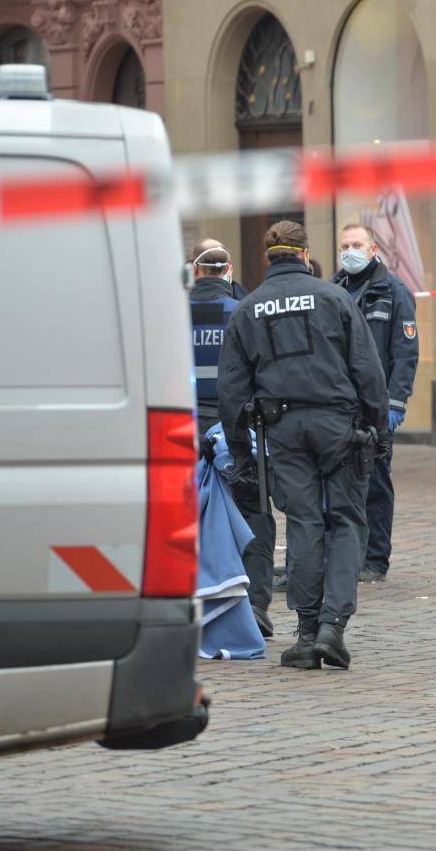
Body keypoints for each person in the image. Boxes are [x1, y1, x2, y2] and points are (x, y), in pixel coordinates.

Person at [217, 221, 389, 670]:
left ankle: (308, 630)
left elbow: (232, 390)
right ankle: (333, 626)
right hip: (340, 424)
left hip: (284, 428)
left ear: (267, 257)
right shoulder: (336, 298)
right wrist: (379, 431)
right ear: (306, 254)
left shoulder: (248, 308)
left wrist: (241, 453)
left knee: (304, 522)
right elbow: (368, 371)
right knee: (348, 520)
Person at [187, 240, 275, 641]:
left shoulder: (171, 315)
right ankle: (254, 602)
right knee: (254, 510)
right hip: (237, 426)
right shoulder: (243, 312)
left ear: (195, 270)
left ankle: (196, 599)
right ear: (227, 271)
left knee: (190, 518)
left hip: (185, 427)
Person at [333, 223, 420, 581]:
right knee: (341, 482)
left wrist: (396, 404)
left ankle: (375, 558)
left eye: (357, 245)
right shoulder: (334, 290)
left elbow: (405, 352)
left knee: (376, 481)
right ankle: (345, 554)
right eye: (345, 245)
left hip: (376, 405)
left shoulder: (394, 292)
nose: (350, 251)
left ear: (372, 249)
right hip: (339, 403)